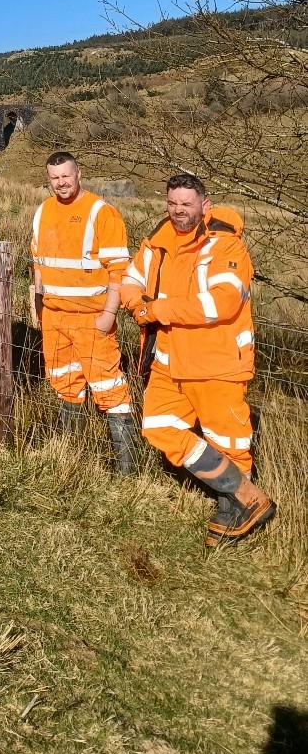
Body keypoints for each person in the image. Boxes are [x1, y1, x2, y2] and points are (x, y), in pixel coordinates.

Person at [121, 173, 275, 546]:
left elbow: (222, 302)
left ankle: (234, 510)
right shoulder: (158, 241)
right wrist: (139, 305)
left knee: (229, 442)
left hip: (216, 363)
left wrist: (156, 309)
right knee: (158, 427)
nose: (178, 210)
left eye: (186, 204)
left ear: (204, 205)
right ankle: (246, 498)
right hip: (169, 362)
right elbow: (130, 281)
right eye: (172, 203)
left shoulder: (225, 246)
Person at [30, 151, 139, 473]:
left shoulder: (101, 212)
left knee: (109, 388)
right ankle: (68, 458)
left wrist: (109, 314)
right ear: (48, 180)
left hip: (91, 318)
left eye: (66, 176)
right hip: (54, 317)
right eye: (55, 178)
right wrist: (38, 305)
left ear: (78, 174)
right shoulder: (43, 211)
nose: (61, 183)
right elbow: (38, 265)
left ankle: (127, 472)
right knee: (65, 383)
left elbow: (119, 271)